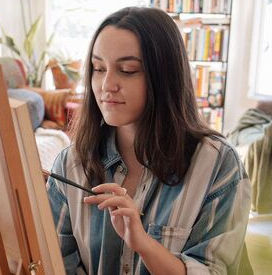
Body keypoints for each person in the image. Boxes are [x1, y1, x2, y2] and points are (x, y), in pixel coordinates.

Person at [46, 7, 252, 275]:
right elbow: (54, 262)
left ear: (164, 76)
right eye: (98, 68)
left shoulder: (218, 165)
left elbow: (214, 270)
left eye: (128, 70)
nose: (107, 84)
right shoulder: (71, 163)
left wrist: (143, 243)